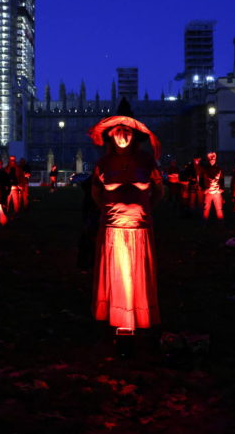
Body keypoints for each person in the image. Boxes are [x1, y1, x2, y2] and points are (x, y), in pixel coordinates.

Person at [88, 114, 164, 344]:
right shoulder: (103, 164)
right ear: (111, 136)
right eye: (118, 132)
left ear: (134, 137)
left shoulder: (146, 161)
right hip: (113, 227)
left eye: (127, 132)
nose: (122, 136)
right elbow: (95, 193)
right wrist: (109, 210)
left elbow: (159, 191)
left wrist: (145, 209)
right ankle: (119, 316)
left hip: (139, 227)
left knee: (137, 274)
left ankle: (139, 316)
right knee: (118, 274)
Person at [199, 152, 225, 224]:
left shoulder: (219, 169)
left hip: (217, 192)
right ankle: (204, 222)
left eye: (213, 158)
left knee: (219, 208)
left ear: (215, 159)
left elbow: (222, 179)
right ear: (208, 159)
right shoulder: (204, 169)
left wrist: (221, 188)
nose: (212, 160)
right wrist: (203, 189)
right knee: (206, 208)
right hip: (208, 192)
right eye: (211, 159)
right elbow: (201, 180)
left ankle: (221, 223)